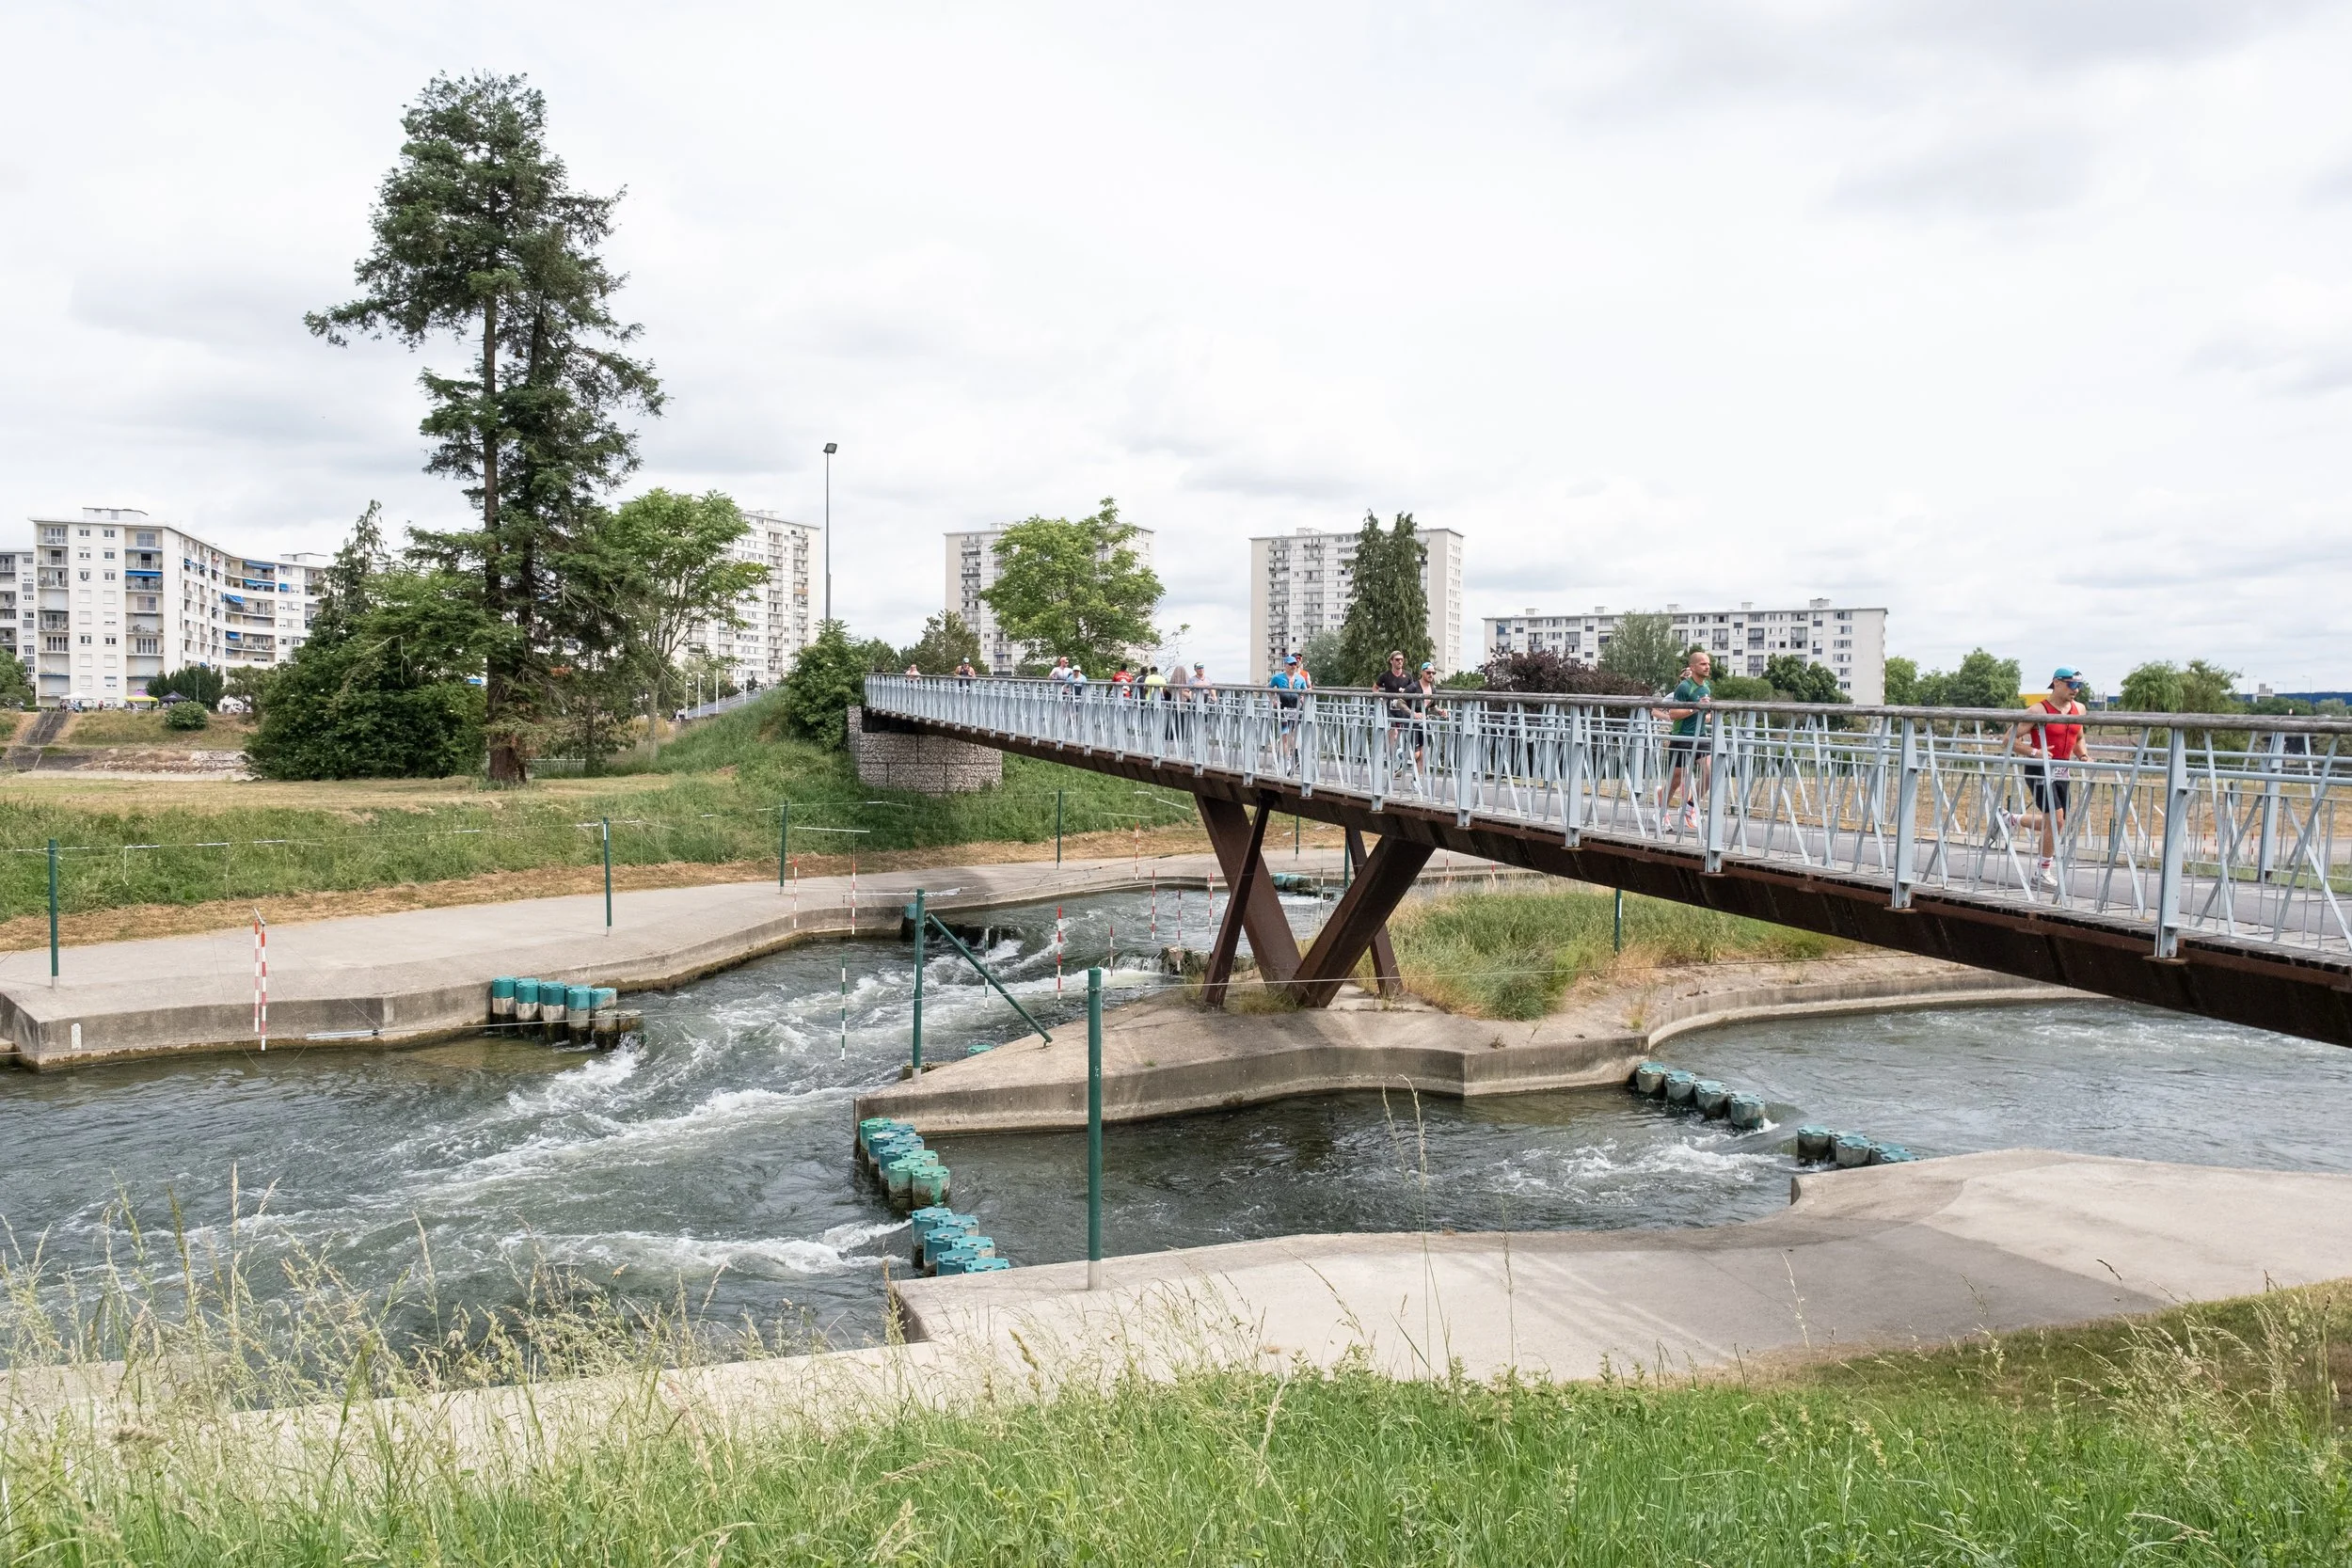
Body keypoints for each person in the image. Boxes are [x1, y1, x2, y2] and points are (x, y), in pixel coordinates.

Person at [2008, 668, 2088, 891]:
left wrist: (2082, 754)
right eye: (2072, 685)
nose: (2076, 690)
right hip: (2039, 769)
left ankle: (2012, 819)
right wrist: (2035, 752)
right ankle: (2042, 873)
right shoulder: (2037, 710)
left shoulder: (2079, 709)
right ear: (2056, 683)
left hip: (2063, 769)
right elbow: (2008, 740)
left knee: (2054, 823)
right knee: (2057, 820)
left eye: (2079, 685)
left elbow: (2079, 737)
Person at [1652, 649, 1713, 831]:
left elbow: (1705, 712)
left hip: (1700, 736)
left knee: (1711, 771)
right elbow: (1673, 713)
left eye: (1708, 663)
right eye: (1703, 664)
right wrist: (1695, 708)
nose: (1707, 666)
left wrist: (1707, 712)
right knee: (1675, 781)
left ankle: (1690, 806)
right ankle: (1661, 811)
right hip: (1682, 737)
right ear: (1693, 667)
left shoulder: (1706, 686)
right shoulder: (1684, 688)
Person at [1375, 649, 1419, 762]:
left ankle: (1401, 759)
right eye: (1397, 660)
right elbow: (1375, 687)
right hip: (1389, 708)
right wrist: (1380, 698)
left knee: (1406, 734)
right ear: (1391, 661)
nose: (1400, 662)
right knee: (1393, 733)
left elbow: (1414, 690)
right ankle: (1392, 759)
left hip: (1404, 708)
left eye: (1401, 660)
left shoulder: (1408, 675)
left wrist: (1406, 691)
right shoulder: (1385, 676)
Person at [1269, 653, 1303, 757]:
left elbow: (1305, 691)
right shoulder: (1277, 677)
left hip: (1295, 709)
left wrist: (1302, 698)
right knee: (1285, 734)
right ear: (1285, 665)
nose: (1293, 666)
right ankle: (1287, 761)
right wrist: (1273, 700)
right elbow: (1268, 688)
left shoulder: (1300, 678)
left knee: (1292, 734)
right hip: (1282, 709)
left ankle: (1293, 756)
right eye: (1291, 664)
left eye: (1295, 664)